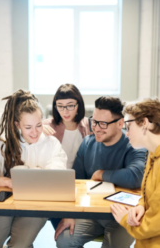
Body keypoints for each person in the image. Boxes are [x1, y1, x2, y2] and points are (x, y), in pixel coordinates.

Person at [0, 89, 67, 248]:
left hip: (36, 206)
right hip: (5, 204)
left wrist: (34, 174)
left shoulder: (51, 144)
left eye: (38, 125)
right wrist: (3, 180)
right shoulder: (3, 144)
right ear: (17, 125)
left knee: (19, 245)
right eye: (28, 127)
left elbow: (57, 173)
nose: (34, 132)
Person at [55, 96, 146, 248]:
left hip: (122, 216)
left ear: (120, 123)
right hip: (92, 213)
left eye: (103, 124)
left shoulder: (134, 144)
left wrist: (101, 174)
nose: (96, 128)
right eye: (94, 121)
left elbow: (135, 176)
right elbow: (75, 181)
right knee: (64, 241)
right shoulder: (87, 143)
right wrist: (69, 214)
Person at [111, 98, 160, 248]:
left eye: (128, 126)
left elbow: (156, 221)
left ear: (144, 123)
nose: (126, 134)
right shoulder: (152, 154)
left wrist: (125, 220)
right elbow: (150, 197)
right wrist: (141, 206)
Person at [43, 84, 91, 169]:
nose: (65, 111)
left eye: (70, 105)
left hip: (82, 179)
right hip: (56, 177)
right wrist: (38, 128)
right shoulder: (46, 125)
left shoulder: (89, 125)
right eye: (60, 106)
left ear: (78, 105)